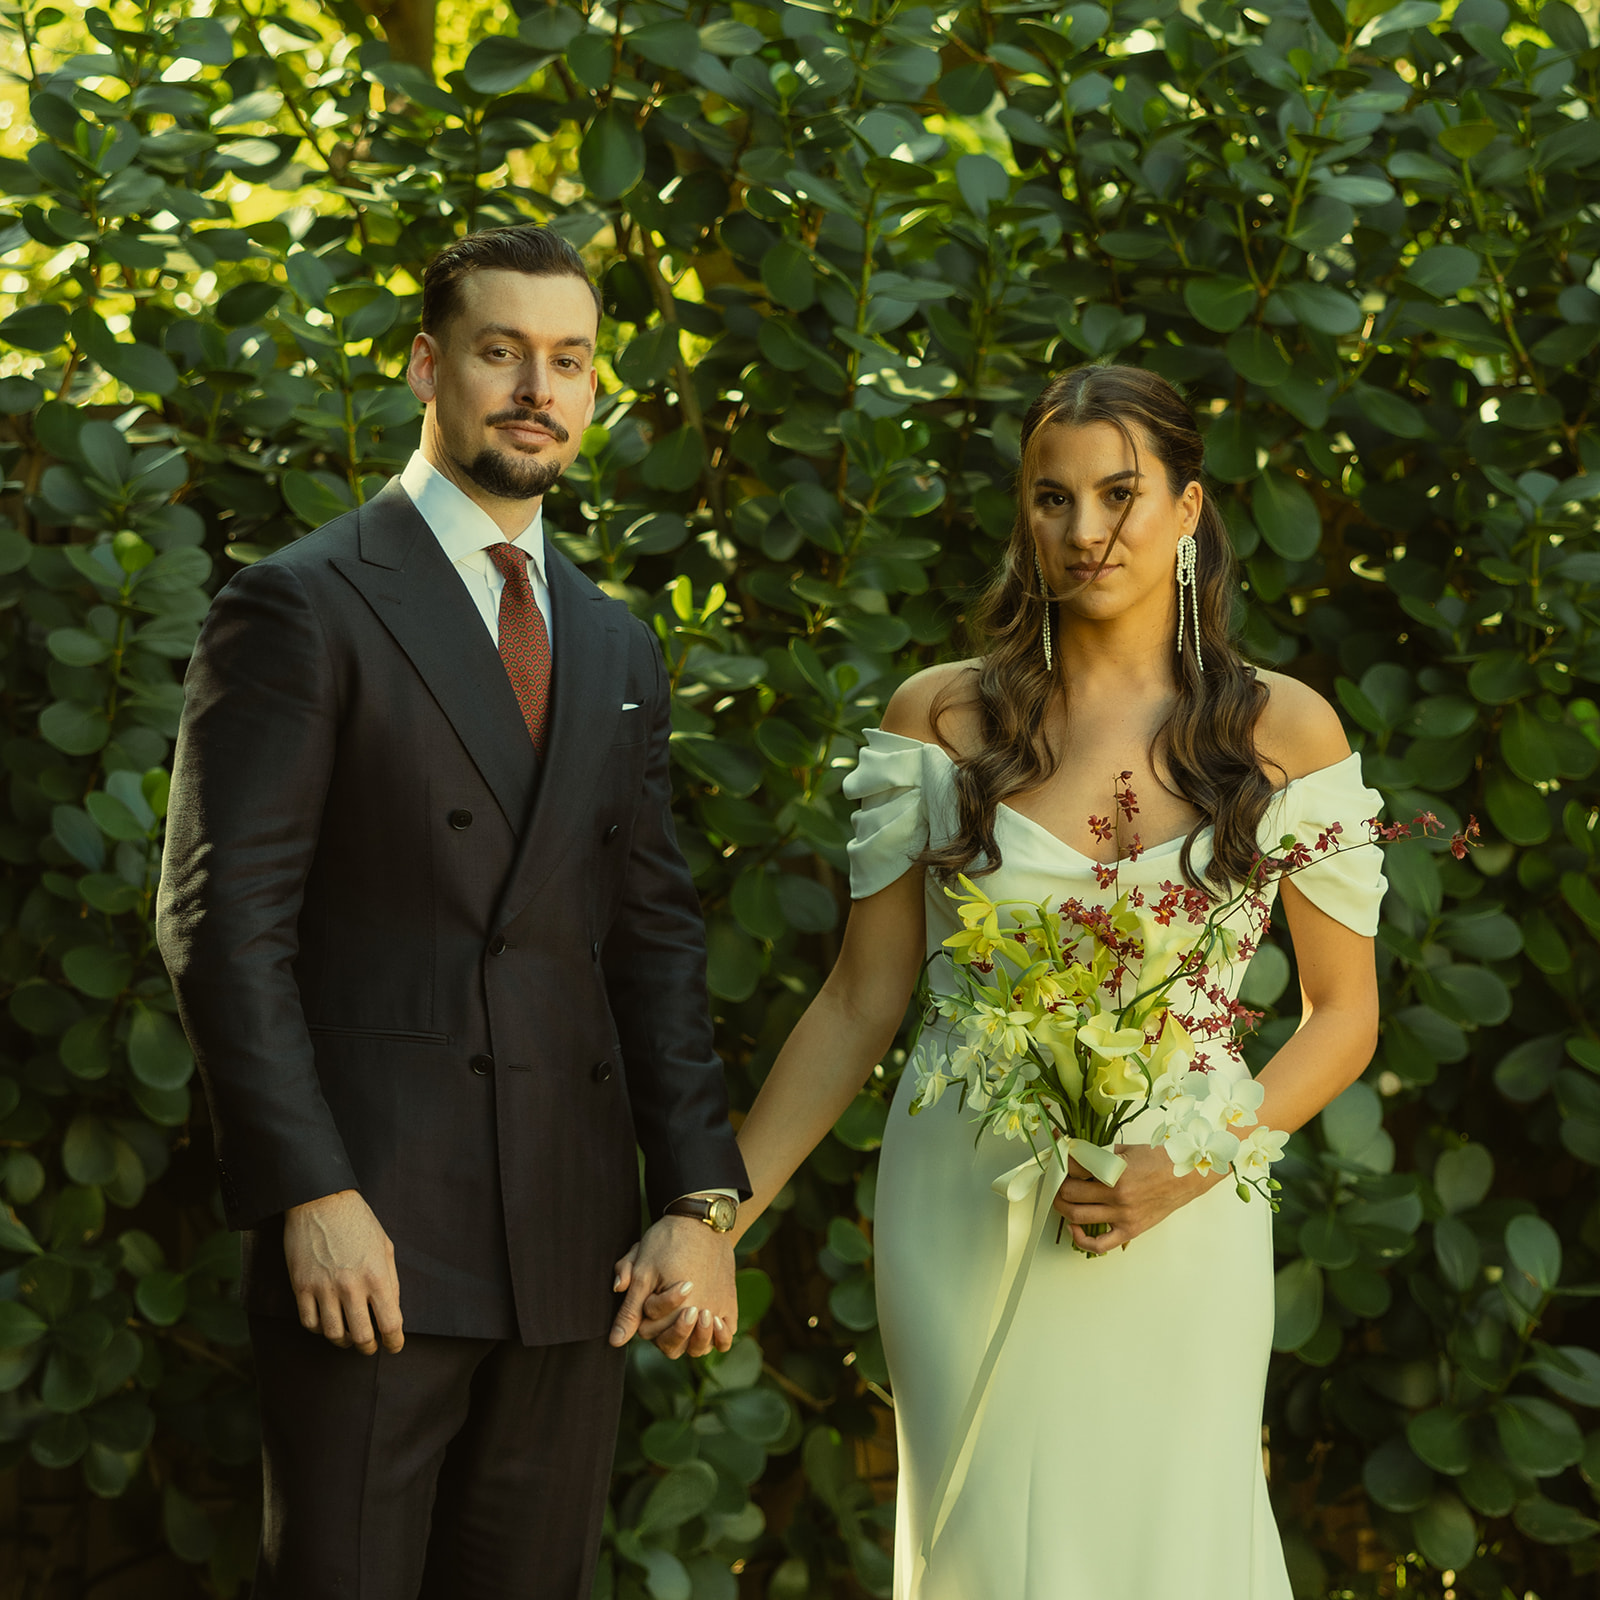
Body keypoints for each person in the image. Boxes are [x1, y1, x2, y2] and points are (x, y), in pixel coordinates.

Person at [712, 365, 1385, 1597]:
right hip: (958, 1207)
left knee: (1172, 1541)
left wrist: (1186, 1163)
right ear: (1022, 518)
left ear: (1188, 510)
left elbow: (1343, 1015)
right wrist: (715, 1219)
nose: (1086, 532)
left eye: (1121, 494)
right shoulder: (940, 722)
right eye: (1052, 499)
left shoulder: (1284, 731)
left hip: (1184, 1205)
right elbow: (861, 1001)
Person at [156, 224, 747, 1599]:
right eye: (500, 352)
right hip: (375, 1240)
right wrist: (311, 1187)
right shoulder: (299, 606)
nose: (536, 387)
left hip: (574, 1243)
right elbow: (218, 926)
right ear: (429, 365)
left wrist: (701, 1197)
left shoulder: (611, 639)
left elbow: (652, 938)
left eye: (569, 361)